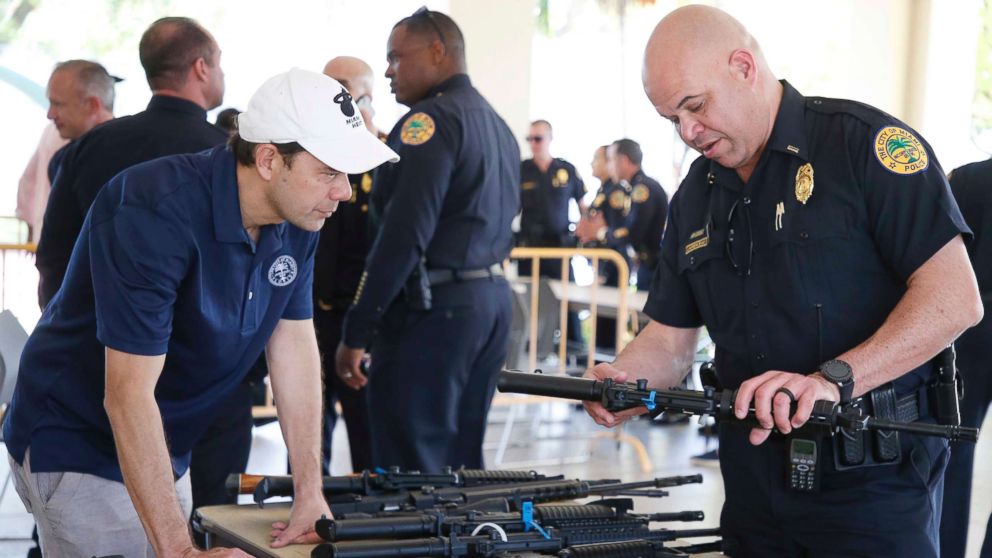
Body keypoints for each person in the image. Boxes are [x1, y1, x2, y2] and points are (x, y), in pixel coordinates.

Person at [584, 5, 982, 557]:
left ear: (744, 67)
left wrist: (833, 380)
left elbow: (955, 300)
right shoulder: (695, 195)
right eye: (671, 119)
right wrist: (625, 377)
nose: (688, 132)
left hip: (871, 481)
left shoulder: (864, 146)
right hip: (752, 483)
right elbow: (670, 340)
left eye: (695, 107)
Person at [2, 67, 399, 556]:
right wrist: (179, 550)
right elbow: (126, 397)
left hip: (164, 442)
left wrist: (309, 490)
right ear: (270, 159)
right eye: (330, 172)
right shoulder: (152, 209)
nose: (344, 192)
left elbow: (293, 344)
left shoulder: (297, 216)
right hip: (79, 439)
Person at [335, 7, 519, 472]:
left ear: (438, 51)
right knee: (459, 460)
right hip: (489, 303)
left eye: (396, 58)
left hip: (438, 310)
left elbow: (403, 235)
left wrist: (358, 331)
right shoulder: (495, 123)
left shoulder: (427, 123)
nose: (389, 71)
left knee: (412, 462)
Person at [35, 17, 227, 309]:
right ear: (201, 68)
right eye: (219, 65)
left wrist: (66, 325)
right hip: (192, 342)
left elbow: (53, 254)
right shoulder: (225, 154)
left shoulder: (89, 147)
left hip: (92, 331)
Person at [314, 55, 380, 474]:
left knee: (366, 436)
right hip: (311, 318)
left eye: (339, 87)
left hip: (360, 322)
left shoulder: (388, 161)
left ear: (366, 97)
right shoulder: (312, 153)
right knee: (306, 431)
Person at [939, 158, 992, 558]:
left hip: (969, 331)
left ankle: (942, 550)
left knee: (952, 453)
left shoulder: (967, 178)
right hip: (968, 330)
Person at [17, 60, 117, 242]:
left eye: (58, 104)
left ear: (92, 105)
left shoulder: (120, 153)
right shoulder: (58, 139)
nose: (50, 114)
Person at [518, 119, 585, 344]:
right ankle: (531, 346)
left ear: (549, 139)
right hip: (529, 248)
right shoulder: (522, 170)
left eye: (538, 138)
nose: (533, 144)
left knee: (567, 300)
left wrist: (583, 236)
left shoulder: (565, 169)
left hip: (559, 248)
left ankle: (573, 345)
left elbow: (584, 207)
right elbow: (509, 207)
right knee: (528, 300)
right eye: (530, 139)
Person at [576, 144, 633, 351]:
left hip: (612, 266)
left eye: (596, 158)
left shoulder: (616, 191)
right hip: (600, 265)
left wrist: (598, 232)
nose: (592, 163)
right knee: (599, 323)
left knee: (608, 328)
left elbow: (618, 231)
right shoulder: (602, 191)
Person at [609, 138, 667, 289]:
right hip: (647, 264)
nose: (610, 167)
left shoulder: (642, 189)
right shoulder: (635, 187)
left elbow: (635, 232)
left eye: (611, 160)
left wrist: (604, 234)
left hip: (655, 268)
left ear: (623, 160)